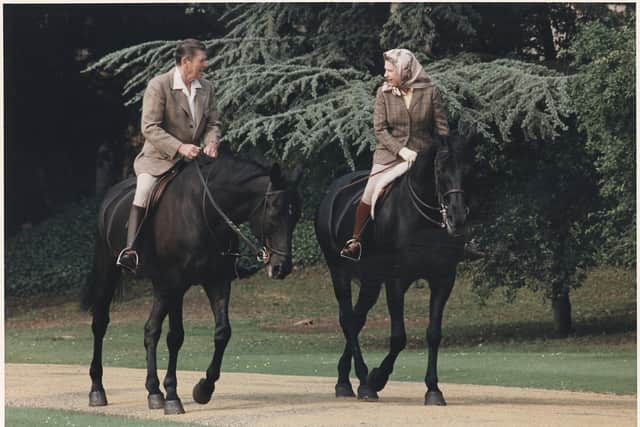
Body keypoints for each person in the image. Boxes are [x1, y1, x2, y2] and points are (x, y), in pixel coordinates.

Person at [116, 39, 222, 273]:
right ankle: (131, 251)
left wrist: (211, 142)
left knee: (221, 190)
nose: (205, 64)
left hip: (195, 159)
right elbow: (149, 127)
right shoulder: (159, 85)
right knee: (143, 190)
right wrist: (179, 148)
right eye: (201, 60)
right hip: (159, 159)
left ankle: (226, 255)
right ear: (186, 62)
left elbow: (213, 123)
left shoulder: (207, 87)